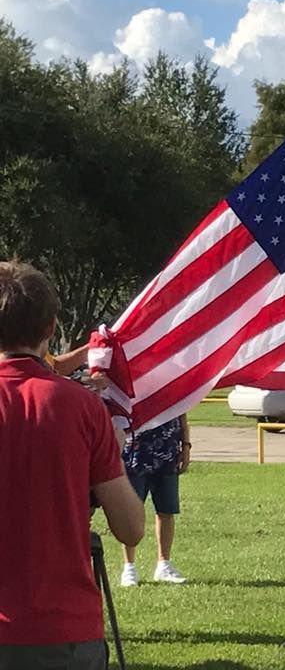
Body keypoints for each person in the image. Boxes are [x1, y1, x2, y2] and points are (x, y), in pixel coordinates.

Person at [0, 260, 144, 669]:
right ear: (50, 328)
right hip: (64, 632)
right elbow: (130, 528)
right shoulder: (83, 408)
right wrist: (109, 456)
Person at [120, 413, 192, 586]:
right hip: (135, 451)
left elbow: (182, 409)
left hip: (167, 450)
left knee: (166, 510)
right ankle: (129, 567)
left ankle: (164, 564)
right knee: (131, 511)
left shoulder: (171, 385)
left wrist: (186, 445)